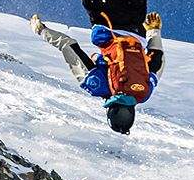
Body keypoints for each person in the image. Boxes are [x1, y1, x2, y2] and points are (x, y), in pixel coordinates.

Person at [30, 14, 164, 134]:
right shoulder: (97, 86)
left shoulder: (143, 93)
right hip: (105, 25)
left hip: (135, 30)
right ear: (109, 111)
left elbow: (157, 61)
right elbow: (68, 46)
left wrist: (154, 31)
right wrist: (41, 30)